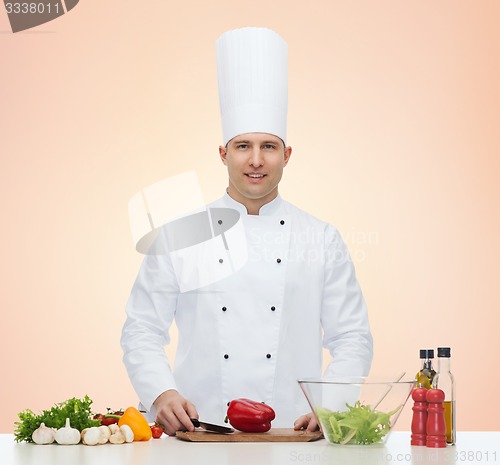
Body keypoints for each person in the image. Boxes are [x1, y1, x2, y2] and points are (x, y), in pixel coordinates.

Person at [121, 27, 373, 436]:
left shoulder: (320, 238)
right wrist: (161, 393)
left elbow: (352, 337)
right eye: (242, 146)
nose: (256, 161)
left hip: (294, 436)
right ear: (223, 153)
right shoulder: (180, 235)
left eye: (269, 147)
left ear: (287, 155)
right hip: (198, 433)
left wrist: (331, 407)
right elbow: (142, 328)